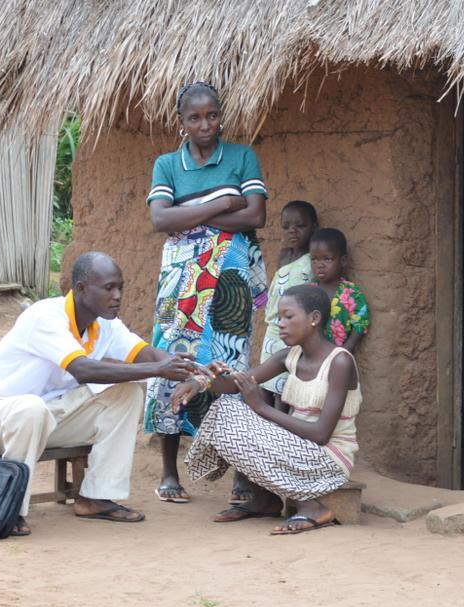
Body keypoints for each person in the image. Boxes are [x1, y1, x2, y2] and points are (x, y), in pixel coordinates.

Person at [0, 252, 200, 536]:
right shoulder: (45, 316)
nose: (117, 296)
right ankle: (11, 508)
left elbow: (146, 354)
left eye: (120, 288)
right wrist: (159, 369)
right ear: (81, 289)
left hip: (48, 416)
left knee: (127, 393)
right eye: (109, 287)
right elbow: (83, 370)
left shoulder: (106, 324)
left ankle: (95, 497)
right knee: (30, 408)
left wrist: (197, 369)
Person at [144, 81, 268, 505]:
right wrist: (222, 204)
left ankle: (240, 473)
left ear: (221, 115)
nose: (205, 124)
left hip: (233, 277)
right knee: (174, 360)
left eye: (212, 115)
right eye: (195, 117)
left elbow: (257, 214)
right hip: (181, 281)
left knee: (231, 363)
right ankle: (168, 472)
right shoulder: (167, 164)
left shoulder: (241, 156)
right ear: (181, 122)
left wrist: (190, 215)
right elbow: (161, 220)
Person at [180, 284, 362, 534]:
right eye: (279, 317)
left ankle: (312, 507)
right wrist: (203, 380)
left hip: (328, 460)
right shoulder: (289, 356)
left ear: (314, 318)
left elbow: (321, 434)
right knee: (225, 409)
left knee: (234, 418)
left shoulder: (340, 362)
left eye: (289, 316)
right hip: (296, 449)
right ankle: (265, 500)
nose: (281, 324)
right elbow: (236, 385)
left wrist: (261, 407)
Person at [259, 200, 319, 400]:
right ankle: (262, 428)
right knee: (265, 380)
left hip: (295, 330)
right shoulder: (284, 256)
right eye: (286, 227)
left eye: (300, 226)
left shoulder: (314, 260)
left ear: (314, 228)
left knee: (283, 384)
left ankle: (280, 428)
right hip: (273, 329)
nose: (292, 231)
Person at [309, 228, 370, 353]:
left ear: (343, 261)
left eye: (327, 259)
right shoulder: (308, 290)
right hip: (309, 355)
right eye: (314, 259)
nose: (320, 265)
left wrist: (345, 350)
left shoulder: (351, 293)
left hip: (338, 355)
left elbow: (361, 324)